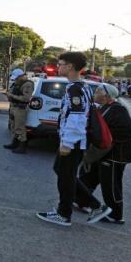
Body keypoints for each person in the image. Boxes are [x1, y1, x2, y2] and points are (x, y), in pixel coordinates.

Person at [37, 51, 91, 227]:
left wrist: (67, 143)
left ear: (70, 66)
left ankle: (64, 213)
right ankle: (92, 204)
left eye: (60, 64)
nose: (58, 67)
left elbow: (77, 118)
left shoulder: (76, 88)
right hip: (73, 140)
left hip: (73, 142)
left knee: (65, 176)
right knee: (62, 171)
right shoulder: (80, 86)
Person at [74, 84, 131, 224]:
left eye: (97, 91)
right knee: (88, 177)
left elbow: (128, 131)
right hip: (102, 153)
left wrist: (107, 138)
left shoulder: (117, 109)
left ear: (106, 96)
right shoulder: (103, 108)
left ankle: (115, 215)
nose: (95, 93)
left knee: (111, 185)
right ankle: (80, 201)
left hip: (115, 155)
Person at [4, 68, 34, 154]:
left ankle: (22, 146)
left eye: (17, 77)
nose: (16, 79)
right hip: (14, 107)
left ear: (21, 76)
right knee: (14, 126)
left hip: (20, 108)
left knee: (20, 127)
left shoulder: (27, 84)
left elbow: (26, 98)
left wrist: (12, 96)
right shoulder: (18, 83)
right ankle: (15, 143)